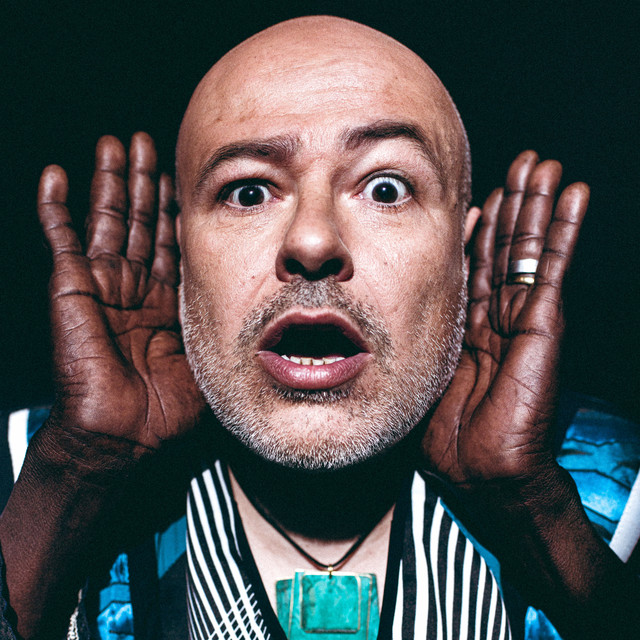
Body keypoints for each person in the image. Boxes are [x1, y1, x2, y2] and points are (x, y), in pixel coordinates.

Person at [0, 15, 637, 640]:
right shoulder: (27, 471)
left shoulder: (617, 493)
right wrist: (76, 474)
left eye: (385, 189)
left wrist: (535, 511)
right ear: (183, 254)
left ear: (461, 258)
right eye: (249, 192)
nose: (312, 241)